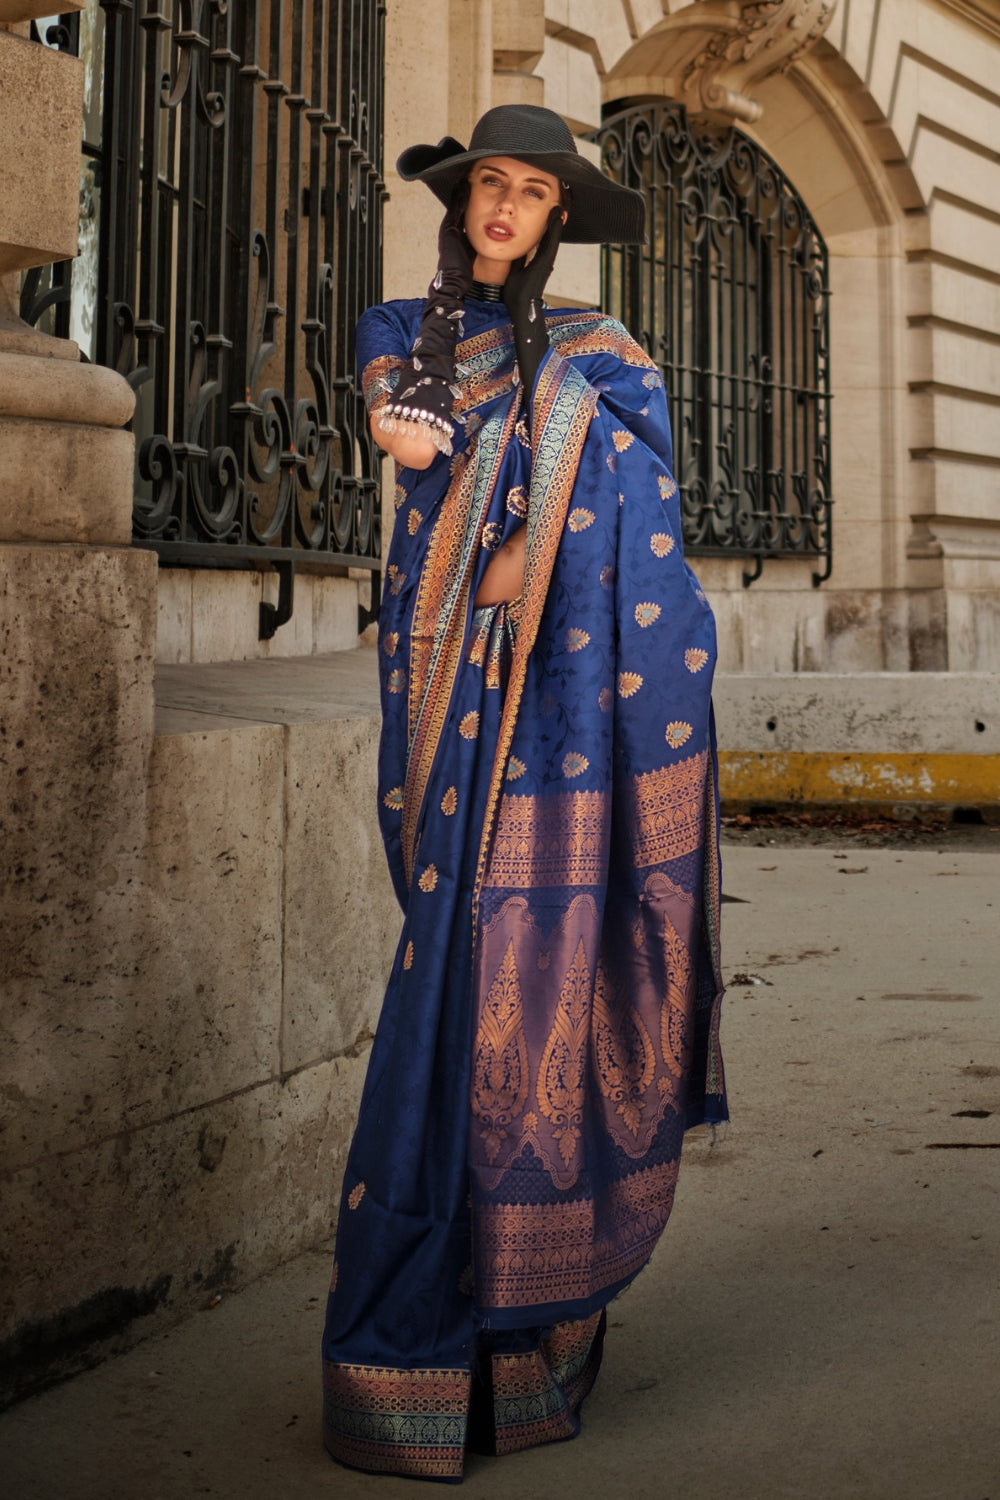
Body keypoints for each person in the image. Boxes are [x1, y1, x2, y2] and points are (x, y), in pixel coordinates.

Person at [321, 103, 727, 1482]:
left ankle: (533, 1361)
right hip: (458, 707)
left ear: (559, 218)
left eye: (530, 192)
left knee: (552, 984)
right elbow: (405, 438)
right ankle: (416, 1356)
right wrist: (431, 444)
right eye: (489, 184)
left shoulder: (603, 360)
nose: (504, 206)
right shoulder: (402, 330)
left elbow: (651, 514)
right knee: (455, 983)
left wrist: (543, 531)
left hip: (574, 715)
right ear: (463, 201)